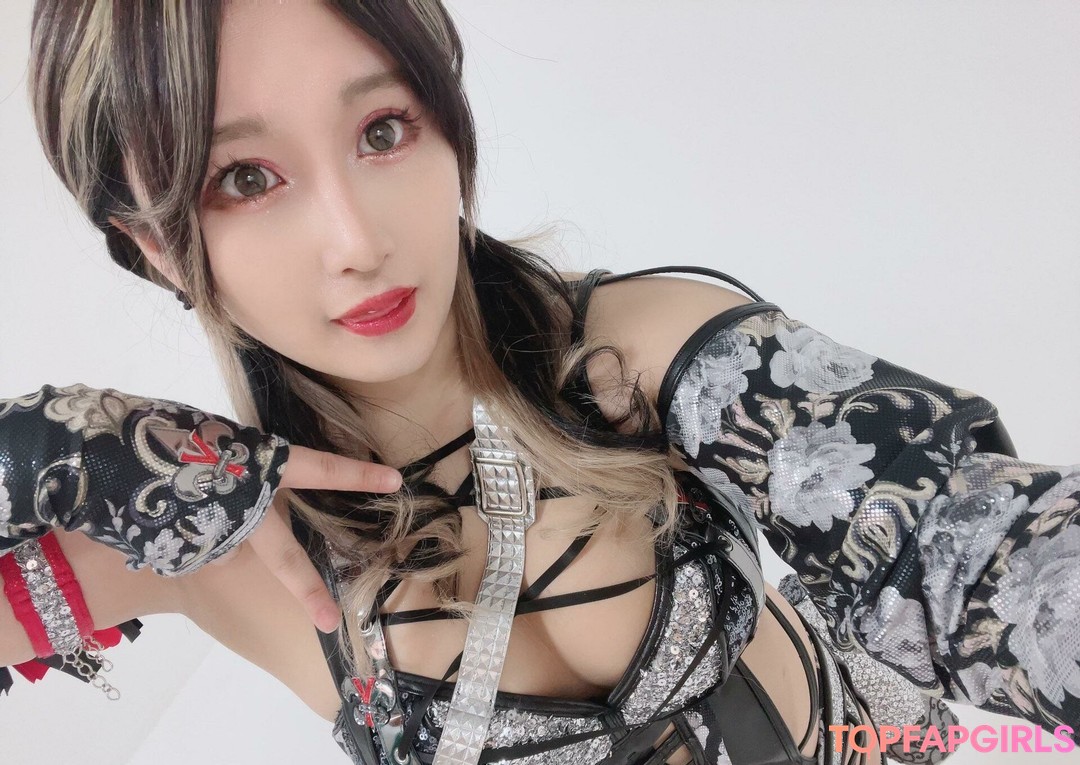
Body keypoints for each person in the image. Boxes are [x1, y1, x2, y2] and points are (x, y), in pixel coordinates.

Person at [1, 2, 1078, 764]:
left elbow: (972, 549)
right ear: (153, 245)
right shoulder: (198, 540)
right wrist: (47, 447)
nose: (356, 240)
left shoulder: (634, 358)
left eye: (383, 130)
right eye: (246, 178)